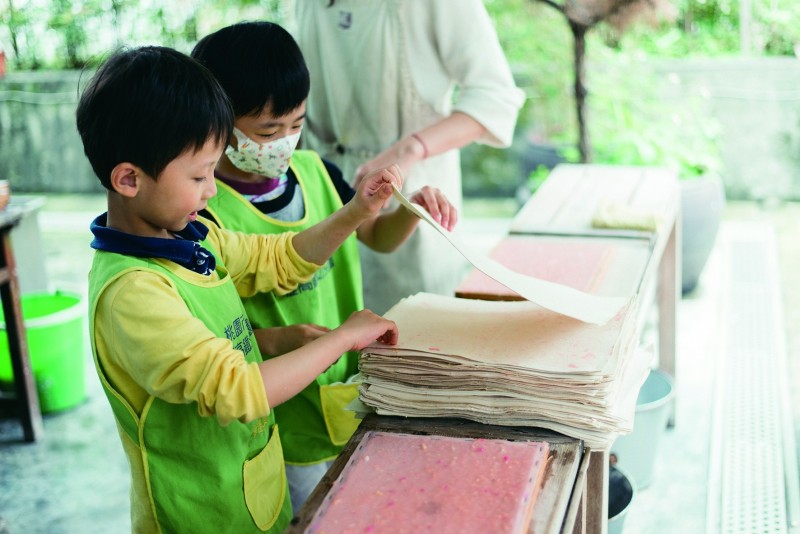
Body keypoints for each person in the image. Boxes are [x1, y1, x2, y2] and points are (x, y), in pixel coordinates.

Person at [76, 45, 400, 533]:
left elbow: (280, 258)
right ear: (128, 179)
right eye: (198, 176)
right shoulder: (132, 292)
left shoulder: (192, 237)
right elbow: (239, 390)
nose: (211, 190)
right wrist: (343, 338)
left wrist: (358, 211)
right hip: (200, 514)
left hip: (248, 487)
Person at [190, 20, 458, 512]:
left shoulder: (316, 173)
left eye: (296, 124)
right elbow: (213, 336)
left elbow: (376, 237)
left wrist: (412, 210)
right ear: (216, 122)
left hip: (346, 388)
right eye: (268, 131)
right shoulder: (202, 212)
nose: (285, 142)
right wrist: (282, 340)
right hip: (276, 412)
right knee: (309, 511)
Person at [291, 0, 525, 315]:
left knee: (414, 329)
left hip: (411, 198)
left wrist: (409, 150)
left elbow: (495, 98)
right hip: (321, 196)